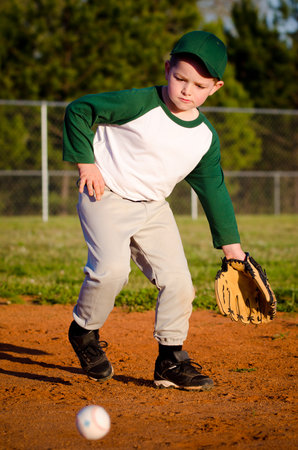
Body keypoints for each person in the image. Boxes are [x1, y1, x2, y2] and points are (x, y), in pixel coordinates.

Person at [63, 30, 246, 391]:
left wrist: (233, 249)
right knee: (112, 271)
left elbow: (214, 191)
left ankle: (170, 361)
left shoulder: (204, 138)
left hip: (153, 208)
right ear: (167, 69)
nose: (186, 90)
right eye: (180, 77)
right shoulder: (140, 103)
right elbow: (79, 110)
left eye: (199, 84)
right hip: (106, 194)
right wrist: (86, 164)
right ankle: (84, 332)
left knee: (179, 283)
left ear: (216, 88)